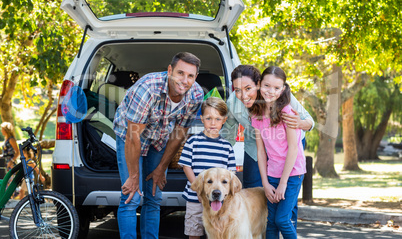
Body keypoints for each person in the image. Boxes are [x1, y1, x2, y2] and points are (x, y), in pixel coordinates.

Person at [113, 52, 204, 239]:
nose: (184, 80)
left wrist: (161, 168)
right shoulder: (148, 88)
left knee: (154, 197)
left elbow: (179, 133)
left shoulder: (195, 94)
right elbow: (133, 136)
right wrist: (133, 176)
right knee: (132, 196)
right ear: (170, 70)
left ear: (195, 77)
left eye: (190, 76)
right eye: (180, 73)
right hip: (129, 135)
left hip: (159, 138)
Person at [221, 65, 314, 188]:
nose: (243, 96)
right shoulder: (233, 103)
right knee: (252, 188)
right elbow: (228, 135)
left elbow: (309, 121)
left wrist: (300, 123)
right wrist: (218, 157)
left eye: (248, 88)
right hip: (255, 146)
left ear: (258, 84)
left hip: (286, 147)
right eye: (237, 90)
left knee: (285, 190)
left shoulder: (277, 94)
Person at [251, 66, 306, 239]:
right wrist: (265, 183)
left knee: (282, 220)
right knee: (271, 222)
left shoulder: (286, 112)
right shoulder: (257, 115)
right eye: (267, 86)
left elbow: (293, 149)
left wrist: (282, 183)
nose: (271, 91)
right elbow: (261, 152)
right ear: (259, 85)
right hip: (272, 172)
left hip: (292, 173)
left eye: (276, 88)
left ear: (283, 89)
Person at [178, 97, 236, 239]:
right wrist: (199, 189)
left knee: (218, 232)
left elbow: (231, 174)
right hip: (195, 197)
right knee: (194, 231)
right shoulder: (193, 141)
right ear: (202, 119)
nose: (213, 123)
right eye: (209, 118)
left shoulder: (226, 147)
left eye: (217, 119)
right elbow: (186, 166)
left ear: (224, 120)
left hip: (218, 200)